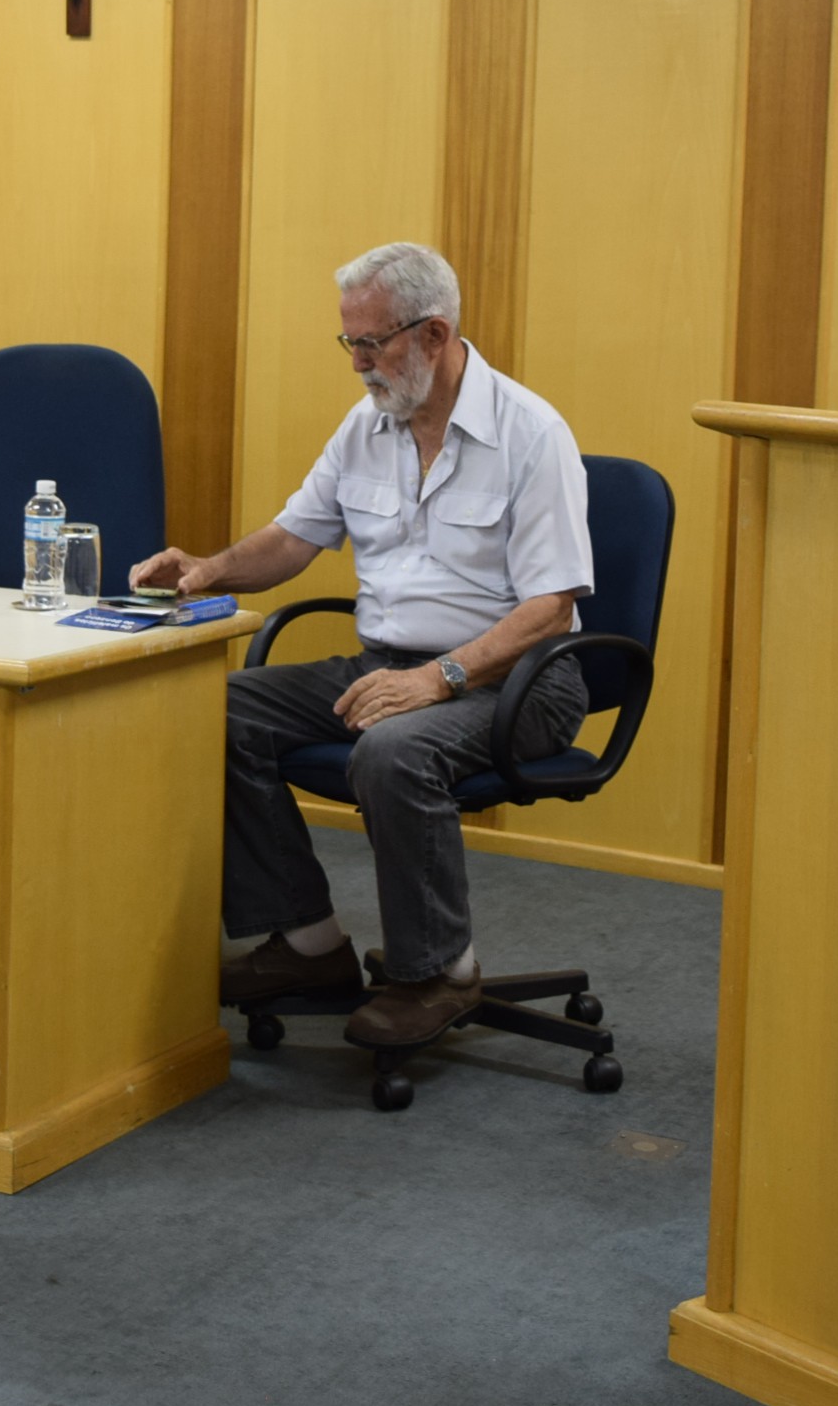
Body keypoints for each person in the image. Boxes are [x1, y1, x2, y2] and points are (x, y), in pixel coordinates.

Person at [131, 242, 595, 1050]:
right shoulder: (369, 422)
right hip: (389, 664)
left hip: (517, 680)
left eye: (371, 343)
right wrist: (208, 569)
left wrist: (440, 680)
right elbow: (294, 538)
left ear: (435, 334)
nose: (358, 364)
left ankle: (440, 971)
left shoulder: (530, 433)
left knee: (391, 752)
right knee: (215, 709)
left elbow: (552, 607)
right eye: (349, 342)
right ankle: (305, 942)